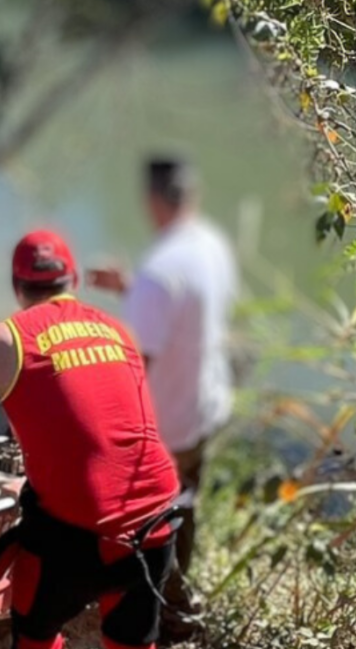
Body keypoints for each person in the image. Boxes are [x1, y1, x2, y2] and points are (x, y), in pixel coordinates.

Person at [0, 230, 180, 649]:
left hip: (73, 540)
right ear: (72, 279)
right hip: (155, 523)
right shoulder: (118, 331)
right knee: (132, 647)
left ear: (18, 287)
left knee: (35, 643)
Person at [89, 157, 238, 620]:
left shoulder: (159, 271)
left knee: (151, 520)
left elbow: (136, 365)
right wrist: (130, 289)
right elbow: (187, 309)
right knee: (186, 505)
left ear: (153, 200)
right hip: (203, 407)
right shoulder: (211, 244)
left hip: (167, 423)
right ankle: (178, 597)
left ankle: (162, 610)